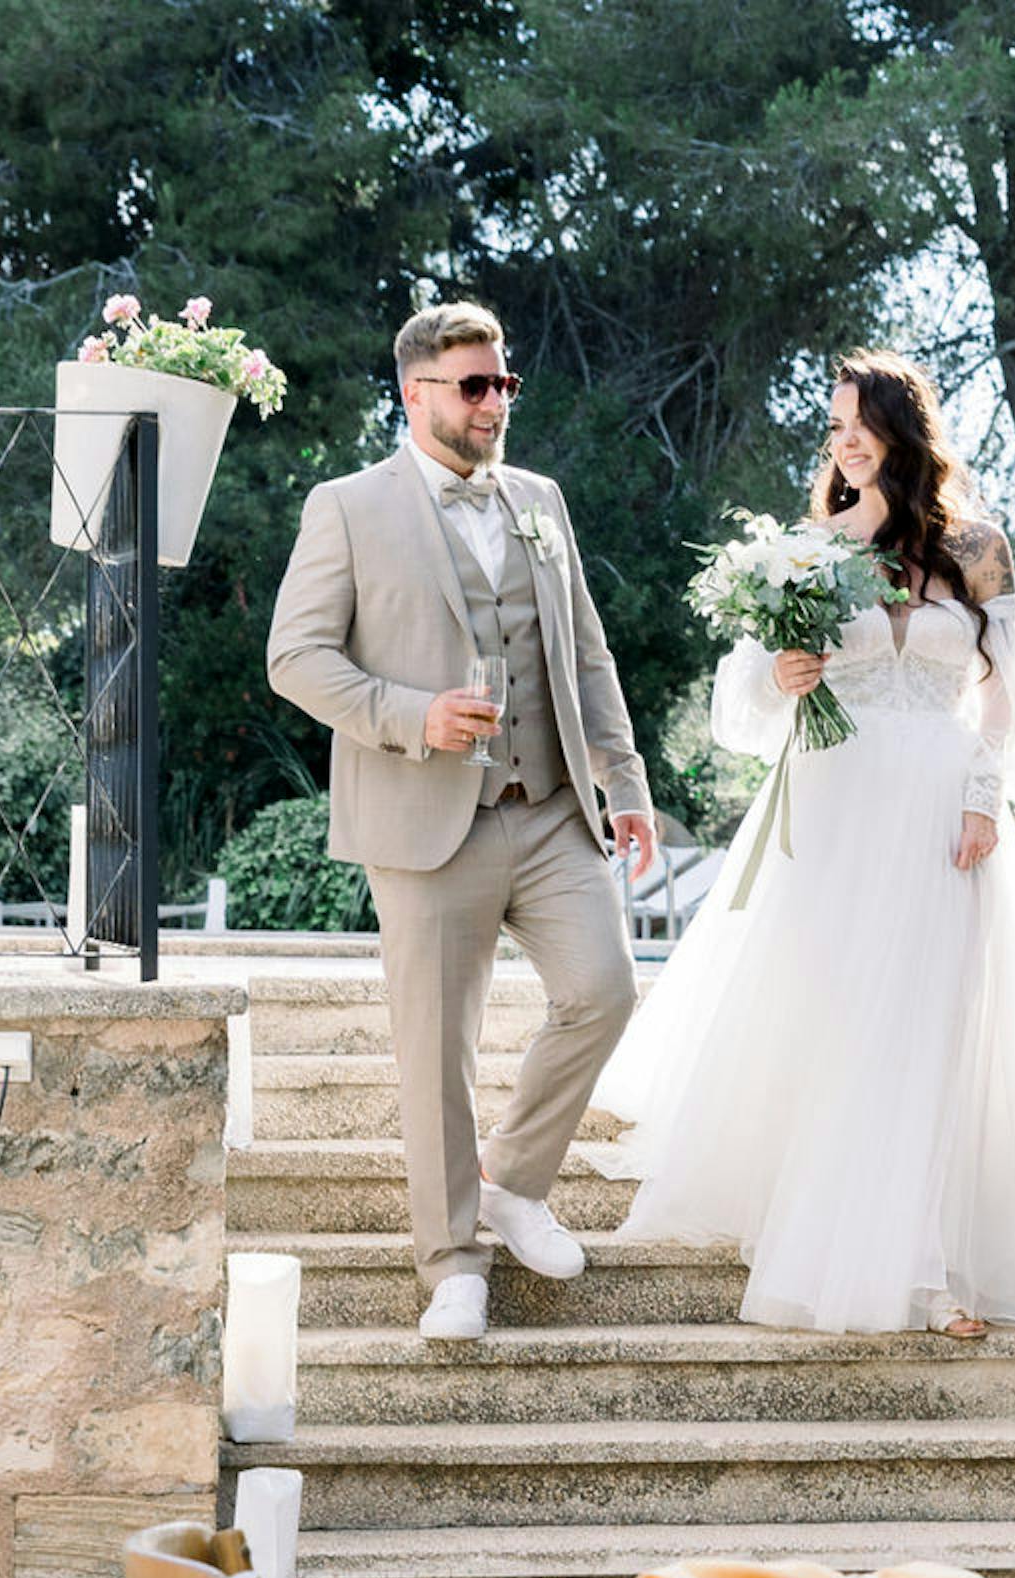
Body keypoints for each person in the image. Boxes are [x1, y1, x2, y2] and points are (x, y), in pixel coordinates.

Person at [600, 350, 1015, 1336]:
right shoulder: (811, 548)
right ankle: (860, 1241)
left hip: (944, 809)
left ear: (903, 430)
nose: (844, 442)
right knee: (841, 1015)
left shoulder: (979, 546)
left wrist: (986, 800)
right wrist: (783, 676)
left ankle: (931, 1260)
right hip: (835, 807)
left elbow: (1007, 692)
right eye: (834, 427)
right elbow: (741, 699)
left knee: (929, 1024)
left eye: (858, 422)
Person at [266, 300, 662, 1342]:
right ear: (415, 392)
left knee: (605, 990)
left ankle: (513, 1181)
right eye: (474, 385)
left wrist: (622, 779)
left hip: (549, 807)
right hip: (422, 814)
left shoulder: (541, 500)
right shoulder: (348, 507)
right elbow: (296, 657)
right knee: (435, 1049)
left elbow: (586, 653)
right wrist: (413, 717)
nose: (496, 403)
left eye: (504, 384)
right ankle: (450, 1262)